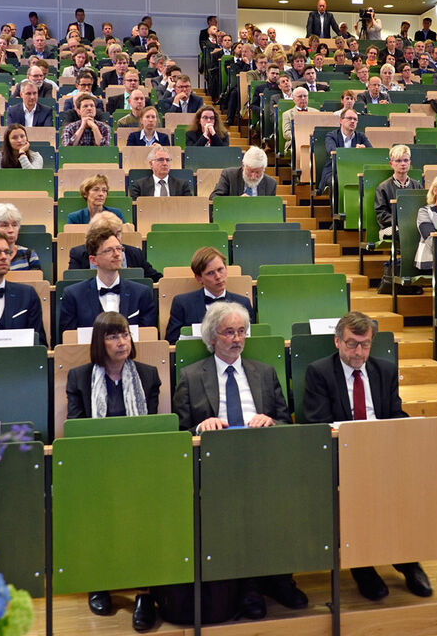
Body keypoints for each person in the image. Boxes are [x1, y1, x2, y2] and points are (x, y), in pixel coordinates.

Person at [168, 301, 306, 620]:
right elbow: (178, 432)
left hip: (263, 460)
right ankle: (247, 586)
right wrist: (201, 427)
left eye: (241, 331)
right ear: (212, 338)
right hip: (216, 466)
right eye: (229, 332)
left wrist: (271, 421)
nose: (237, 339)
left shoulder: (265, 372)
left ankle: (279, 578)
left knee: (284, 500)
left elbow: (287, 422)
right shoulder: (190, 376)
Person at [300, 311, 434, 602]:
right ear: (337, 342)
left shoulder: (384, 371)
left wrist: (410, 427)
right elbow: (315, 423)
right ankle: (363, 566)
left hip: (382, 452)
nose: (358, 352)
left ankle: (408, 560)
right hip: (341, 454)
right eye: (351, 344)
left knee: (413, 485)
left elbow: (394, 413)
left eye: (365, 345)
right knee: (359, 490)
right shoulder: (319, 372)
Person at [66, 309, 162, 625]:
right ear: (99, 342)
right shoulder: (79, 377)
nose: (121, 342)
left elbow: (152, 429)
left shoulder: (148, 375)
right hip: (98, 465)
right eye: (112, 336)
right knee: (95, 504)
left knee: (148, 507)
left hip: (140, 463)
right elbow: (77, 429)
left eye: (124, 335)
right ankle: (101, 581)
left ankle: (145, 594)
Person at [59, 224, 159, 339]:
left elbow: (148, 338)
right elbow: (68, 340)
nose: (117, 254)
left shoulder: (141, 293)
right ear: (93, 260)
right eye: (109, 250)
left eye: (119, 249)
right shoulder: (74, 295)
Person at [165, 246, 255, 345]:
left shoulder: (243, 303)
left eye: (220, 269)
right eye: (210, 273)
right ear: (199, 278)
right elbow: (173, 343)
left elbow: (251, 341)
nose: (218, 276)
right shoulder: (182, 304)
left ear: (226, 269)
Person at [66, 212, 163, 282]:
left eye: (118, 234)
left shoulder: (134, 253)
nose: (115, 239)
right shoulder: (79, 254)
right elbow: (72, 284)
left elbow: (155, 279)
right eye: (109, 235)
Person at [317, 109, 370, 194]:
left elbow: (371, 153)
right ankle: (336, 208)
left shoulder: (361, 137)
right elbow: (333, 151)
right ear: (341, 120)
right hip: (334, 170)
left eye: (355, 119)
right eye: (349, 118)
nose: (352, 121)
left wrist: (364, 151)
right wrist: (354, 153)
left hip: (355, 170)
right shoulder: (331, 136)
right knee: (336, 181)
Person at [0, 202, 43, 272]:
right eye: (4, 225)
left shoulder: (29, 255)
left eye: (14, 225)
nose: (11, 230)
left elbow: (36, 282)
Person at [211, 147, 276, 197]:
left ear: (263, 169)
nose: (253, 177)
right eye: (251, 171)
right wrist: (238, 202)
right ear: (243, 165)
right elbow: (214, 198)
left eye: (258, 172)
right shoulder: (229, 175)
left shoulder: (270, 184)